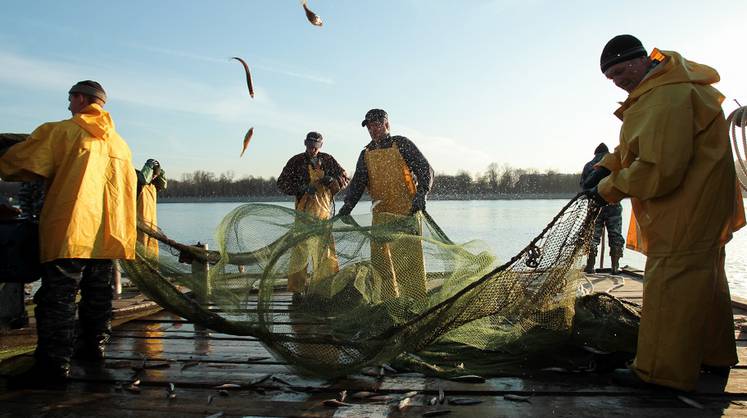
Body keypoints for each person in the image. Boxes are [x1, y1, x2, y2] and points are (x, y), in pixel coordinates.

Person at [589, 35, 745, 391]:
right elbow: (637, 146)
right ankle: (713, 355)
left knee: (668, 285)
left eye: (622, 68)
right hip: (701, 208)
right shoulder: (664, 87)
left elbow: (660, 167)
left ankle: (661, 373)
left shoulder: (666, 97)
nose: (619, 79)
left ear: (643, 58)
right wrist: (605, 165)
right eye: (611, 76)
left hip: (686, 209)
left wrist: (606, 190)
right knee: (704, 281)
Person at [0, 80, 137, 383]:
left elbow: (19, 164)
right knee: (98, 295)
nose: (68, 105)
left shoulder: (62, 131)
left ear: (79, 98)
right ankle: (93, 350)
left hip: (71, 230)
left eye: (70, 99)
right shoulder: (120, 144)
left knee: (56, 298)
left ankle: (52, 367)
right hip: (109, 234)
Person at [338, 109, 433, 306]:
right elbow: (357, 183)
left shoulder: (402, 144)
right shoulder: (366, 153)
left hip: (406, 213)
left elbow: (426, 169)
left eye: (377, 125)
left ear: (386, 125)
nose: (373, 130)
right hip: (380, 215)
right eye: (370, 127)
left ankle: (415, 302)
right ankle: (389, 303)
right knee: (381, 262)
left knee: (409, 261)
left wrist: (422, 193)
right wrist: (347, 205)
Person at [277, 132, 349, 299]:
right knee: (299, 252)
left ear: (321, 146)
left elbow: (345, 178)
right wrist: (301, 188)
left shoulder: (329, 160)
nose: (312, 149)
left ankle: (324, 288)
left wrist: (332, 180)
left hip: (323, 215)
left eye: (316, 146)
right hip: (302, 213)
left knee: (325, 253)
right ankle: (296, 290)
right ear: (305, 144)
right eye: (310, 146)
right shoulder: (295, 161)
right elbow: (281, 183)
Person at [579, 142, 624, 274]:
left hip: (594, 206)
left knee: (593, 235)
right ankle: (615, 267)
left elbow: (583, 186)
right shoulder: (614, 162)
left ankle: (590, 266)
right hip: (613, 204)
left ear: (595, 153)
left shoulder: (588, 165)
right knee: (615, 235)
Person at [136, 158, 167, 258]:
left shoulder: (153, 187)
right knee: (140, 256)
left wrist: (159, 170)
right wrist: (148, 166)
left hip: (151, 229)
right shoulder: (138, 185)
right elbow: (142, 180)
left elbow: (162, 185)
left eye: (156, 176)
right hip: (139, 228)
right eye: (153, 175)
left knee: (151, 254)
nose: (153, 177)